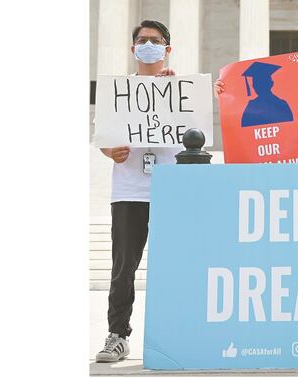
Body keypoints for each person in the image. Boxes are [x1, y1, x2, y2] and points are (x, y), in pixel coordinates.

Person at [95, 20, 180, 363]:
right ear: (133, 49)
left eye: (155, 40)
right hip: (130, 189)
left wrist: (180, 93)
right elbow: (104, 139)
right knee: (123, 266)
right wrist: (110, 152)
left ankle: (175, 331)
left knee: (174, 263)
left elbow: (199, 131)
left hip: (171, 185)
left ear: (167, 48)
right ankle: (118, 334)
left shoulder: (180, 88)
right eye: (143, 40)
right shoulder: (120, 90)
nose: (149, 45)